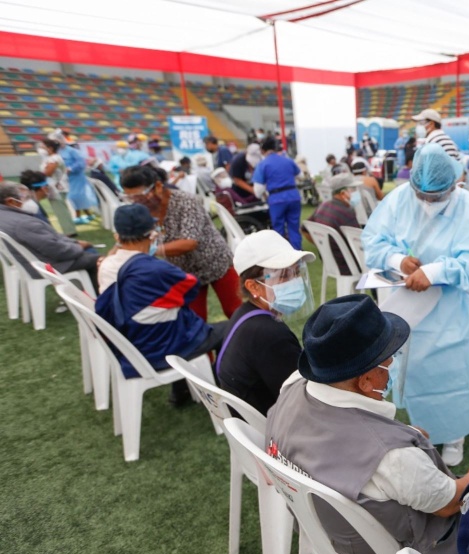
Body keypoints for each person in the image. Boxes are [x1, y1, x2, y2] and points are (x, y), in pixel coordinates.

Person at [266, 294, 469, 554]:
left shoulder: (293, 384)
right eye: (389, 360)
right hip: (387, 553)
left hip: (320, 527)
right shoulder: (391, 455)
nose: (393, 365)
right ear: (366, 380)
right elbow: (447, 504)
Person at [362, 144, 469, 466]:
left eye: (436, 197)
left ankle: (456, 434)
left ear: (453, 185)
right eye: (422, 195)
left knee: (451, 373)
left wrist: (434, 272)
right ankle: (419, 429)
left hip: (450, 311)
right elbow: (374, 240)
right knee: (413, 368)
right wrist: (398, 259)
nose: (428, 203)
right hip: (406, 306)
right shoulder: (399, 199)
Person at [96, 204, 227, 405]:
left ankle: (181, 391)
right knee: (231, 328)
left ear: (117, 237)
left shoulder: (106, 266)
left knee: (164, 317)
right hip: (162, 346)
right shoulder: (155, 269)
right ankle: (224, 387)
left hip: (130, 343)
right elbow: (191, 288)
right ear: (152, 234)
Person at [120, 165, 241, 321]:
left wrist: (152, 249)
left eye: (140, 197)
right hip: (184, 272)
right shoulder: (141, 211)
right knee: (195, 319)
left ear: (157, 186)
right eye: (129, 198)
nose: (136, 203)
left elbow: (189, 243)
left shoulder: (185, 201)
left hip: (216, 262)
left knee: (234, 311)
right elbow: (127, 238)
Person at [218, 230, 314, 416]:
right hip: (273, 427)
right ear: (253, 286)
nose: (295, 281)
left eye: (296, 271)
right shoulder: (268, 334)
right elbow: (304, 398)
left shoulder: (245, 314)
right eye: (285, 275)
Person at [0, 181, 99, 291]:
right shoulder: (23, 223)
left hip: (29, 263)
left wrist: (73, 243)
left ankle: (84, 291)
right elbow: (59, 251)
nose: (32, 201)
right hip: (47, 265)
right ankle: (96, 298)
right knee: (96, 259)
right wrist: (79, 246)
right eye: (27, 198)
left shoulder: (4, 216)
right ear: (10, 201)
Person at [252, 137, 304, 250]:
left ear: (262, 150)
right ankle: (298, 257)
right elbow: (301, 176)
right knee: (294, 227)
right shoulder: (288, 160)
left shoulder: (263, 164)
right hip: (293, 196)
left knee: (278, 230)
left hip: (276, 199)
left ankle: (282, 257)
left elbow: (258, 190)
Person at [305, 173, 362, 275]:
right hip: (347, 264)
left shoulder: (324, 205)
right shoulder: (346, 211)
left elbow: (304, 229)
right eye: (353, 189)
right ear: (343, 193)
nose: (356, 192)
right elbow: (359, 242)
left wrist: (322, 246)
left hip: (329, 262)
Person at [37, 138, 77, 235]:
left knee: (61, 210)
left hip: (57, 188)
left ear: (50, 148)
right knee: (59, 210)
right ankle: (68, 230)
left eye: (43, 147)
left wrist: (39, 174)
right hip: (55, 187)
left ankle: (69, 231)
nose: (41, 149)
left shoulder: (54, 158)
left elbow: (48, 173)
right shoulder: (50, 158)